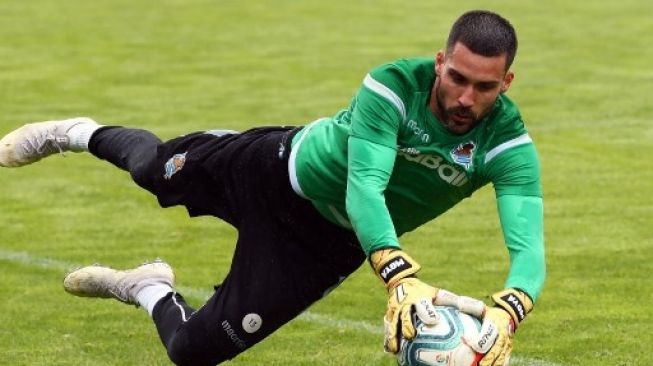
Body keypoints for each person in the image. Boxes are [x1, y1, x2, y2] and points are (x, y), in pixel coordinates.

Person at [0, 9, 545, 366]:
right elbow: (366, 187)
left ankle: (145, 286)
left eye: (484, 86)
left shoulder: (508, 147)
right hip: (270, 170)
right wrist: (398, 274)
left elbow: (529, 248)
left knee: (193, 353)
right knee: (151, 170)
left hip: (322, 247)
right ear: (441, 62)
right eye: (458, 78)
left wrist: (510, 307)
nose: (466, 98)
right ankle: (72, 132)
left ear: (507, 83)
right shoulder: (393, 87)